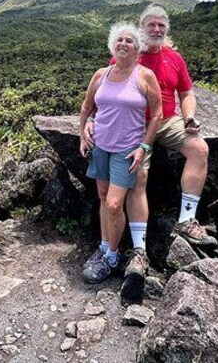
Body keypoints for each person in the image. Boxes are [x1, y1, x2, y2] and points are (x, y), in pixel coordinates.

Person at [84, 4, 217, 253]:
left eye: (161, 25)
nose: (156, 29)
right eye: (151, 25)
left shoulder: (174, 58)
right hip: (134, 126)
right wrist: (92, 119)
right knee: (138, 177)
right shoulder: (130, 52)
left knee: (200, 148)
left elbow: (186, 93)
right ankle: (139, 247)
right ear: (141, 28)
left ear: (166, 29)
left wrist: (189, 117)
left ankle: (187, 220)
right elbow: (105, 91)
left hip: (166, 120)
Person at [78, 22, 163, 284]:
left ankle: (112, 257)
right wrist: (83, 132)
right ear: (113, 46)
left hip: (127, 149)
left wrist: (144, 146)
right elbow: (86, 107)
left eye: (129, 40)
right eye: (119, 40)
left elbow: (157, 113)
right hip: (101, 145)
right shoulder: (101, 74)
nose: (123, 44)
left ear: (137, 49)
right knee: (103, 197)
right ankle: (105, 248)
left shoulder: (144, 76)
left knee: (115, 203)